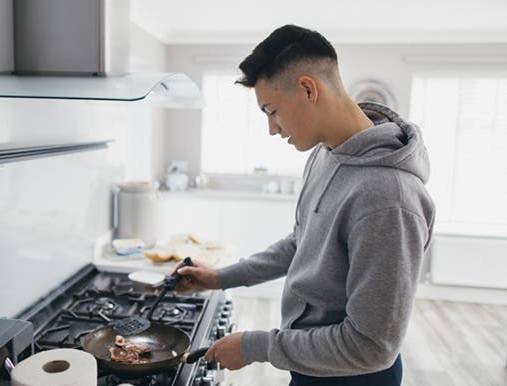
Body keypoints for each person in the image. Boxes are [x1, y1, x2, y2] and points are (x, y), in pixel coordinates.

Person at [175, 25, 435, 386]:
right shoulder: (325, 154)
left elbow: (373, 346)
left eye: (272, 110)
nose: (272, 129)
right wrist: (221, 277)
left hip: (355, 378)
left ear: (308, 90)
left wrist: (256, 347)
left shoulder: (390, 199)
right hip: (312, 364)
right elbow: (302, 242)